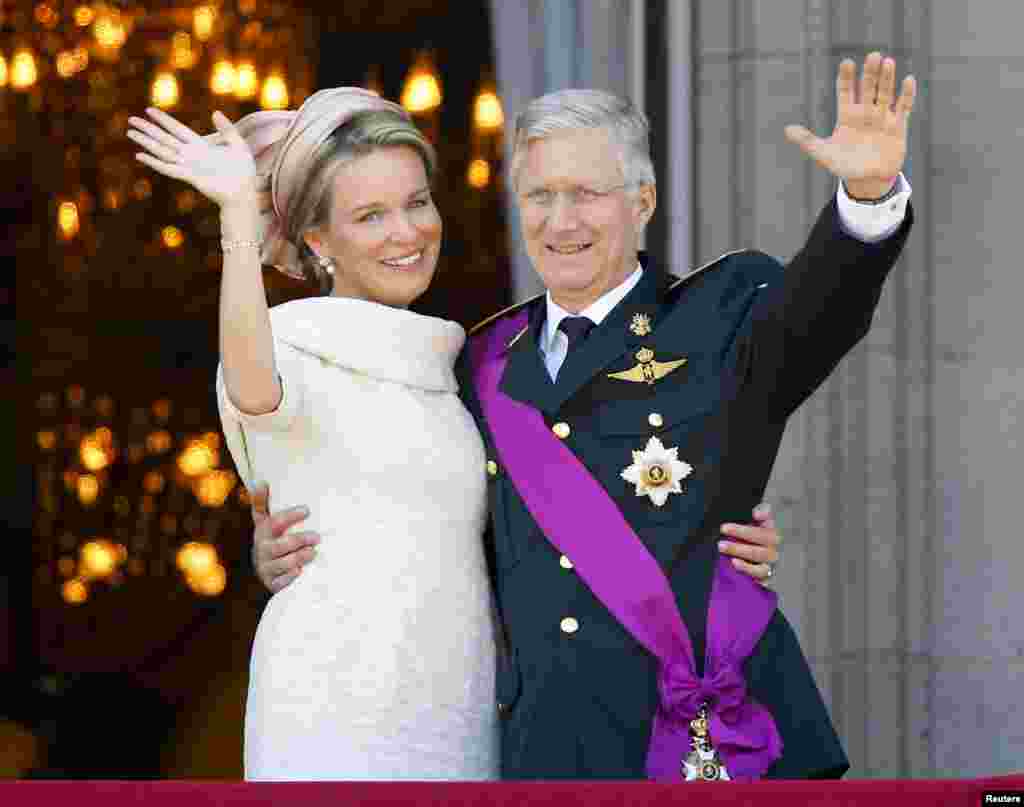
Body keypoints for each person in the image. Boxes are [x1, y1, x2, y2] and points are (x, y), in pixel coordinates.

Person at [253, 51, 915, 781]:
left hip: (705, 742)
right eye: (539, 196)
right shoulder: (480, 362)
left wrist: (867, 195)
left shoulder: (723, 312)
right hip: (554, 751)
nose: (560, 221)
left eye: (586, 193)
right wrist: (292, 537)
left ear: (643, 201)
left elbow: (819, 313)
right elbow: (419, 501)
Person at [127, 86, 780, 781]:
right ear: (318, 239)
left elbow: (540, 508)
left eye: (416, 203)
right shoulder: (291, 345)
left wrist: (712, 523)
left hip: (454, 709)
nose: (406, 232)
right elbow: (252, 385)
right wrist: (235, 218)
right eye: (370, 215)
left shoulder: (459, 364)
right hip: (335, 704)